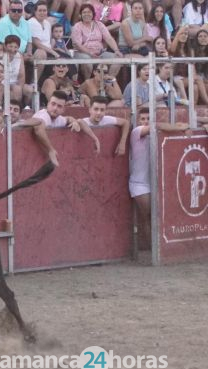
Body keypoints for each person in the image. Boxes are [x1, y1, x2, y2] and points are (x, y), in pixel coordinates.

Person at [129, 108, 189, 249]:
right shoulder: (136, 132)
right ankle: (153, 249)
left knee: (156, 216)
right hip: (139, 183)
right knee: (149, 216)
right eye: (142, 119)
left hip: (155, 182)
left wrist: (183, 130)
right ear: (138, 121)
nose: (145, 121)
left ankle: (156, 248)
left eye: (148, 118)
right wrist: (179, 127)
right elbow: (156, 126)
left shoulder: (158, 135)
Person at [71, 3, 122, 80]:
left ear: (93, 14)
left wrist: (116, 50)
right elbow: (78, 45)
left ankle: (108, 81)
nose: (86, 14)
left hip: (100, 53)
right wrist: (90, 53)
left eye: (89, 12)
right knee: (87, 63)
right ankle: (87, 83)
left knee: (118, 60)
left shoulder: (99, 24)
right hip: (83, 53)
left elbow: (109, 38)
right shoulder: (77, 26)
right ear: (80, 15)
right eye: (84, 12)